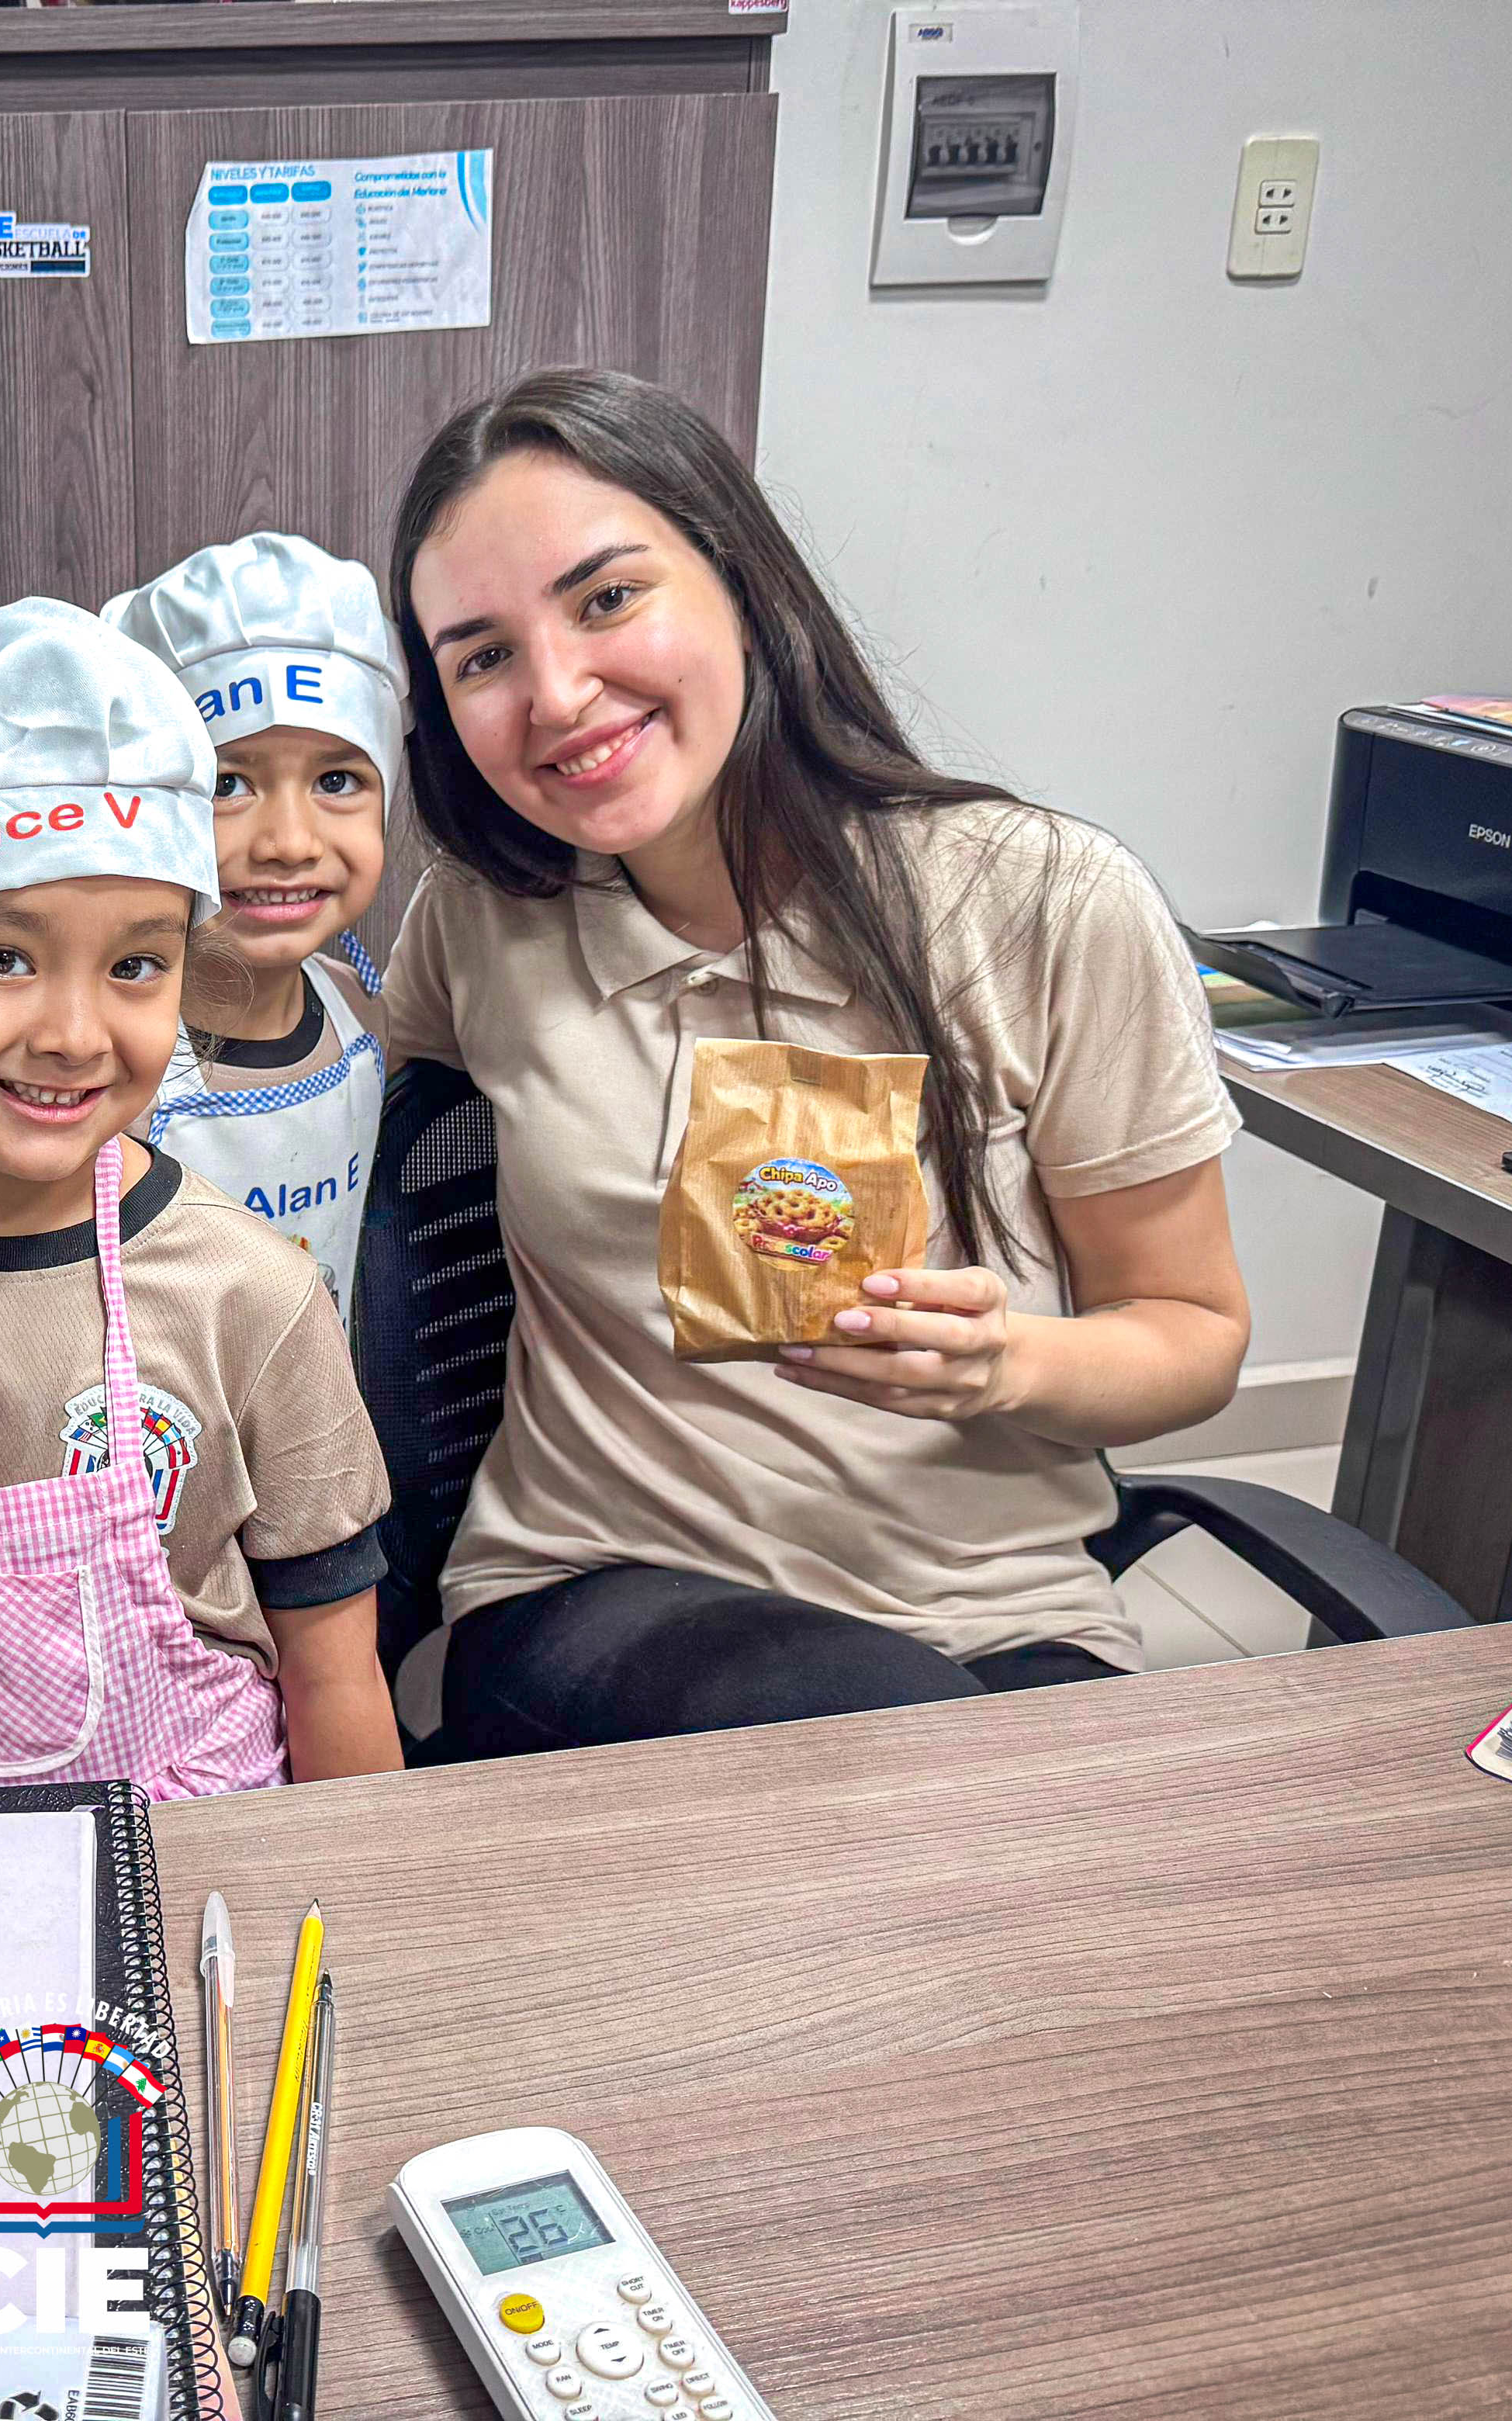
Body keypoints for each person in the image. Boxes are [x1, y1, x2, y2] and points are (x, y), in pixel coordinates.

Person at [379, 369, 1252, 1755]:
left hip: (993, 1611)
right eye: (480, 657)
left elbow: (1193, 1333)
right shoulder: (484, 926)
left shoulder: (1043, 902)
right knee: (916, 1781)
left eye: (608, 600)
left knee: (1048, 1878)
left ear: (740, 579)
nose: (556, 693)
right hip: (594, 1590)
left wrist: (1003, 1365)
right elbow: (316, 1138)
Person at [0, 597, 403, 1801]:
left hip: (197, 1878)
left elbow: (336, 1670)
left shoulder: (252, 1296)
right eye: (2, 958)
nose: (75, 1033)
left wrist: (356, 1917)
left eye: (136, 964)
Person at [103, 534, 404, 1327]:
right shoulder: (102, 1065)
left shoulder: (366, 1015)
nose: (287, 842)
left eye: (336, 781)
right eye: (227, 784)